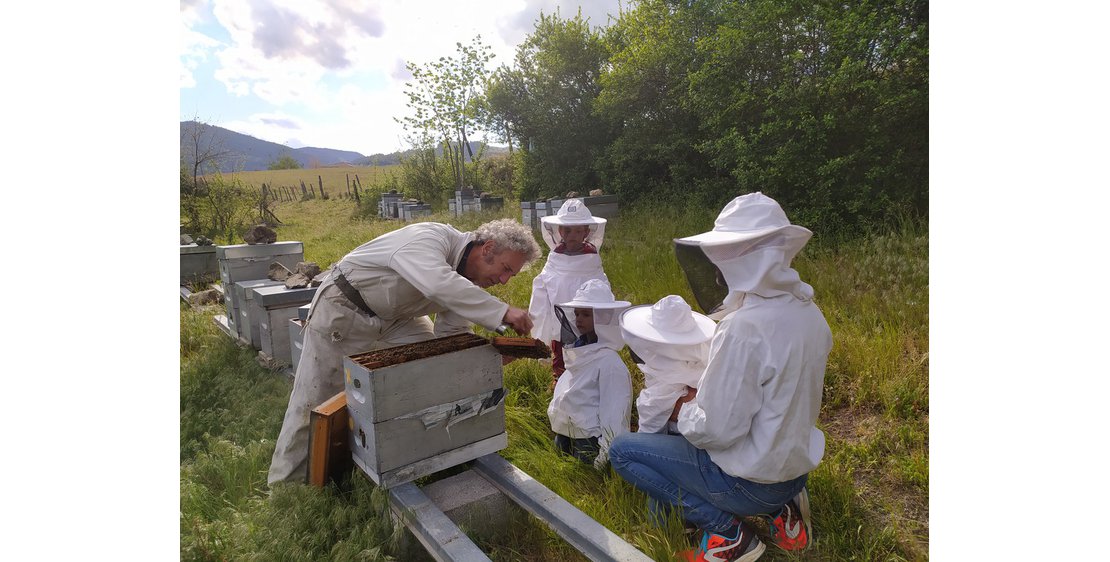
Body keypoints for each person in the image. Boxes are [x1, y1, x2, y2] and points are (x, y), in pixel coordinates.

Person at [608, 192, 832, 562]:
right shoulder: (810, 314)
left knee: (623, 451)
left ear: (739, 260)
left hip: (748, 482)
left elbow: (716, 431)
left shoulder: (743, 328)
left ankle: (729, 533)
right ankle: (783, 512)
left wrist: (684, 408)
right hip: (793, 473)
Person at [268, 218, 541, 486]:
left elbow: (451, 335)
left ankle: (413, 455)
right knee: (314, 399)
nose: (505, 281)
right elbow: (437, 283)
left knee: (427, 373)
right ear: (487, 248)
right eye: (505, 269)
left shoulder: (466, 281)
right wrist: (502, 311)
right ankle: (287, 483)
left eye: (511, 275)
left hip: (397, 321)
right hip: (344, 308)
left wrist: (486, 358)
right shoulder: (430, 238)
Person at [546, 279, 632, 470]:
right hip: (565, 430)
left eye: (586, 314)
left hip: (588, 439)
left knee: (584, 481)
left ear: (603, 317)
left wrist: (606, 452)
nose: (578, 319)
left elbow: (615, 410)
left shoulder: (610, 363)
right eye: (577, 313)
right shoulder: (580, 349)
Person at [528, 199, 610, 383]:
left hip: (587, 320)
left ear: (586, 232)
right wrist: (540, 332)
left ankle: (586, 385)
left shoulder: (591, 259)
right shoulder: (555, 257)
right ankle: (560, 386)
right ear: (559, 231)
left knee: (588, 355)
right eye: (567, 230)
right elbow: (541, 291)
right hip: (560, 320)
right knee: (560, 357)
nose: (572, 235)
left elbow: (602, 290)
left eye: (578, 230)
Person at [619, 295, 715, 435]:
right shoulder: (700, 364)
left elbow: (650, 426)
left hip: (688, 439)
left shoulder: (673, 377)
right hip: (698, 434)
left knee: (622, 447)